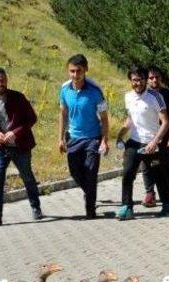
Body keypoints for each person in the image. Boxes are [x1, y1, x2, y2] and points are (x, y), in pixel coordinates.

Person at [0, 67, 42, 226]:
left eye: (2, 80)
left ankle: (36, 207)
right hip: (0, 147)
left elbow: (32, 119)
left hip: (20, 145)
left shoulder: (19, 98)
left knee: (27, 177)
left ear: (7, 81)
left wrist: (15, 133)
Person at [115, 66, 169, 220]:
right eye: (134, 80)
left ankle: (167, 204)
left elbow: (166, 122)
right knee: (127, 174)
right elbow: (130, 120)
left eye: (140, 80)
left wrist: (155, 141)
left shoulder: (155, 96)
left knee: (158, 174)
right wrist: (120, 135)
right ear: (130, 81)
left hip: (151, 144)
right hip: (134, 142)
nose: (138, 83)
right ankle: (126, 207)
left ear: (146, 80)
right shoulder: (128, 97)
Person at [58, 54, 109, 219]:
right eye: (72, 71)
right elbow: (63, 115)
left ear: (85, 70)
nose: (75, 74)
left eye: (78, 71)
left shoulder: (96, 92)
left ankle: (90, 209)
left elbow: (104, 118)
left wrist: (105, 140)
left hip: (93, 138)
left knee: (91, 172)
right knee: (75, 172)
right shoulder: (64, 90)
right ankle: (89, 191)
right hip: (73, 138)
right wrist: (60, 138)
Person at [142, 66, 169, 208]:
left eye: (157, 77)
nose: (154, 80)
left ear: (161, 78)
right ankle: (150, 194)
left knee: (166, 165)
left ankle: (168, 191)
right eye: (151, 78)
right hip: (148, 136)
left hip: (166, 136)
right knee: (146, 165)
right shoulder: (144, 95)